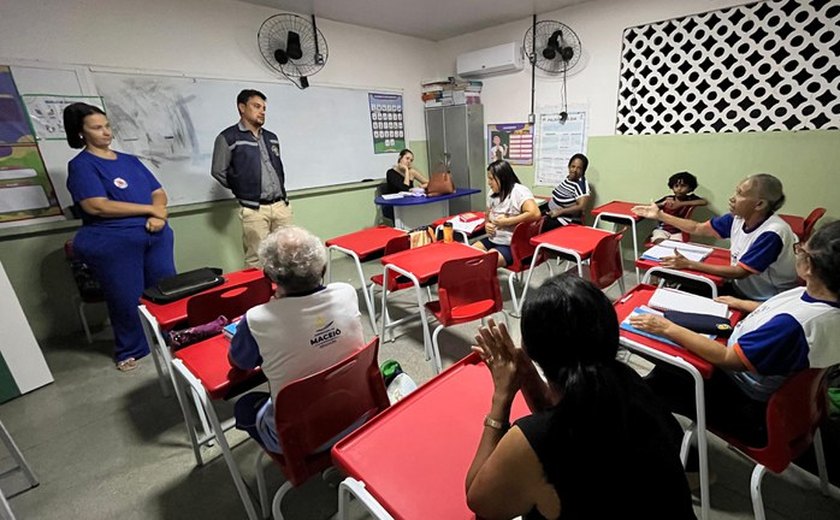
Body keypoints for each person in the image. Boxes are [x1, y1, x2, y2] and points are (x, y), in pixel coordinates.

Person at [466, 275, 695, 520]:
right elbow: (560, 414)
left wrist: (502, 396)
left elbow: (479, 501)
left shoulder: (535, 438)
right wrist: (526, 374)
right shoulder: (627, 382)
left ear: (531, 348)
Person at [630, 220, 840, 446]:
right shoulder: (821, 301)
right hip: (785, 396)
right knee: (664, 369)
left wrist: (666, 327)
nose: (797, 252)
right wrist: (740, 303)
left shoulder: (793, 326)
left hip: (746, 402)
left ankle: (687, 464)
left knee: (644, 390)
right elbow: (782, 307)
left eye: (801, 250)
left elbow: (729, 359)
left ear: (810, 266)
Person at [229, 226, 365, 453]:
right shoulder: (346, 292)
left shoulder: (257, 319)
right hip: (358, 413)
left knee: (245, 405)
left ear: (270, 276)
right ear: (322, 268)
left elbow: (239, 363)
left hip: (302, 441)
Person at [63, 102, 176, 372]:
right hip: (114, 241)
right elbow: (96, 205)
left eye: (107, 126)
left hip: (155, 235)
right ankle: (132, 348)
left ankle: (171, 336)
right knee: (127, 297)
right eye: (97, 128)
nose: (105, 132)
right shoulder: (82, 165)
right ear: (81, 133)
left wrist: (158, 216)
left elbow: (158, 192)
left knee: (167, 289)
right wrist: (149, 209)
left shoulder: (130, 161)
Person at [633, 173, 798, 300]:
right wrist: (659, 215)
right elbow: (698, 228)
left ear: (760, 204)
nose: (732, 198)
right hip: (740, 287)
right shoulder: (737, 218)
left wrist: (690, 264)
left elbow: (739, 272)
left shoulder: (772, 233)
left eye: (740, 194)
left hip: (764, 299)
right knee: (679, 291)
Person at [211, 89, 291, 267]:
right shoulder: (228, 137)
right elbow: (218, 171)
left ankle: (285, 293)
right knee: (258, 258)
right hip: (254, 209)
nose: (262, 111)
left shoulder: (271, 137)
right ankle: (259, 295)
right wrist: (242, 189)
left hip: (280, 206)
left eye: (264, 108)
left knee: (287, 254)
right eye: (256, 106)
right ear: (242, 107)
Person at [474, 160, 541, 268]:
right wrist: (487, 225)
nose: (488, 182)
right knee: (468, 255)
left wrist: (508, 221)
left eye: (491, 179)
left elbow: (535, 213)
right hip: (493, 239)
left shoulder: (519, 192)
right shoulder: (492, 193)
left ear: (502, 178)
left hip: (511, 245)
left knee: (486, 264)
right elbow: (487, 214)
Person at [651, 171, 708, 244]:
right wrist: (662, 204)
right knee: (660, 242)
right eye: (676, 186)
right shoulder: (668, 198)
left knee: (676, 246)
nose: (679, 189)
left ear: (690, 188)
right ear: (672, 187)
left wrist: (681, 204)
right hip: (662, 229)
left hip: (679, 231)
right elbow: (651, 207)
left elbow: (704, 202)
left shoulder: (691, 198)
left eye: (683, 186)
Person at [542, 153, 592, 232]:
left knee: (540, 226)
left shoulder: (581, 184)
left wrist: (560, 211)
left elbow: (582, 206)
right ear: (569, 167)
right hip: (551, 212)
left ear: (583, 171)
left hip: (565, 219)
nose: (575, 170)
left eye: (579, 168)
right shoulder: (569, 179)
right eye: (573, 166)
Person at [381, 148, 428, 221]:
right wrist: (406, 170)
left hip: (408, 204)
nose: (409, 161)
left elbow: (428, 182)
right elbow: (404, 189)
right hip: (394, 205)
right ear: (400, 158)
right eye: (407, 158)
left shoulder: (412, 172)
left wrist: (421, 186)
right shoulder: (390, 173)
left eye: (411, 160)